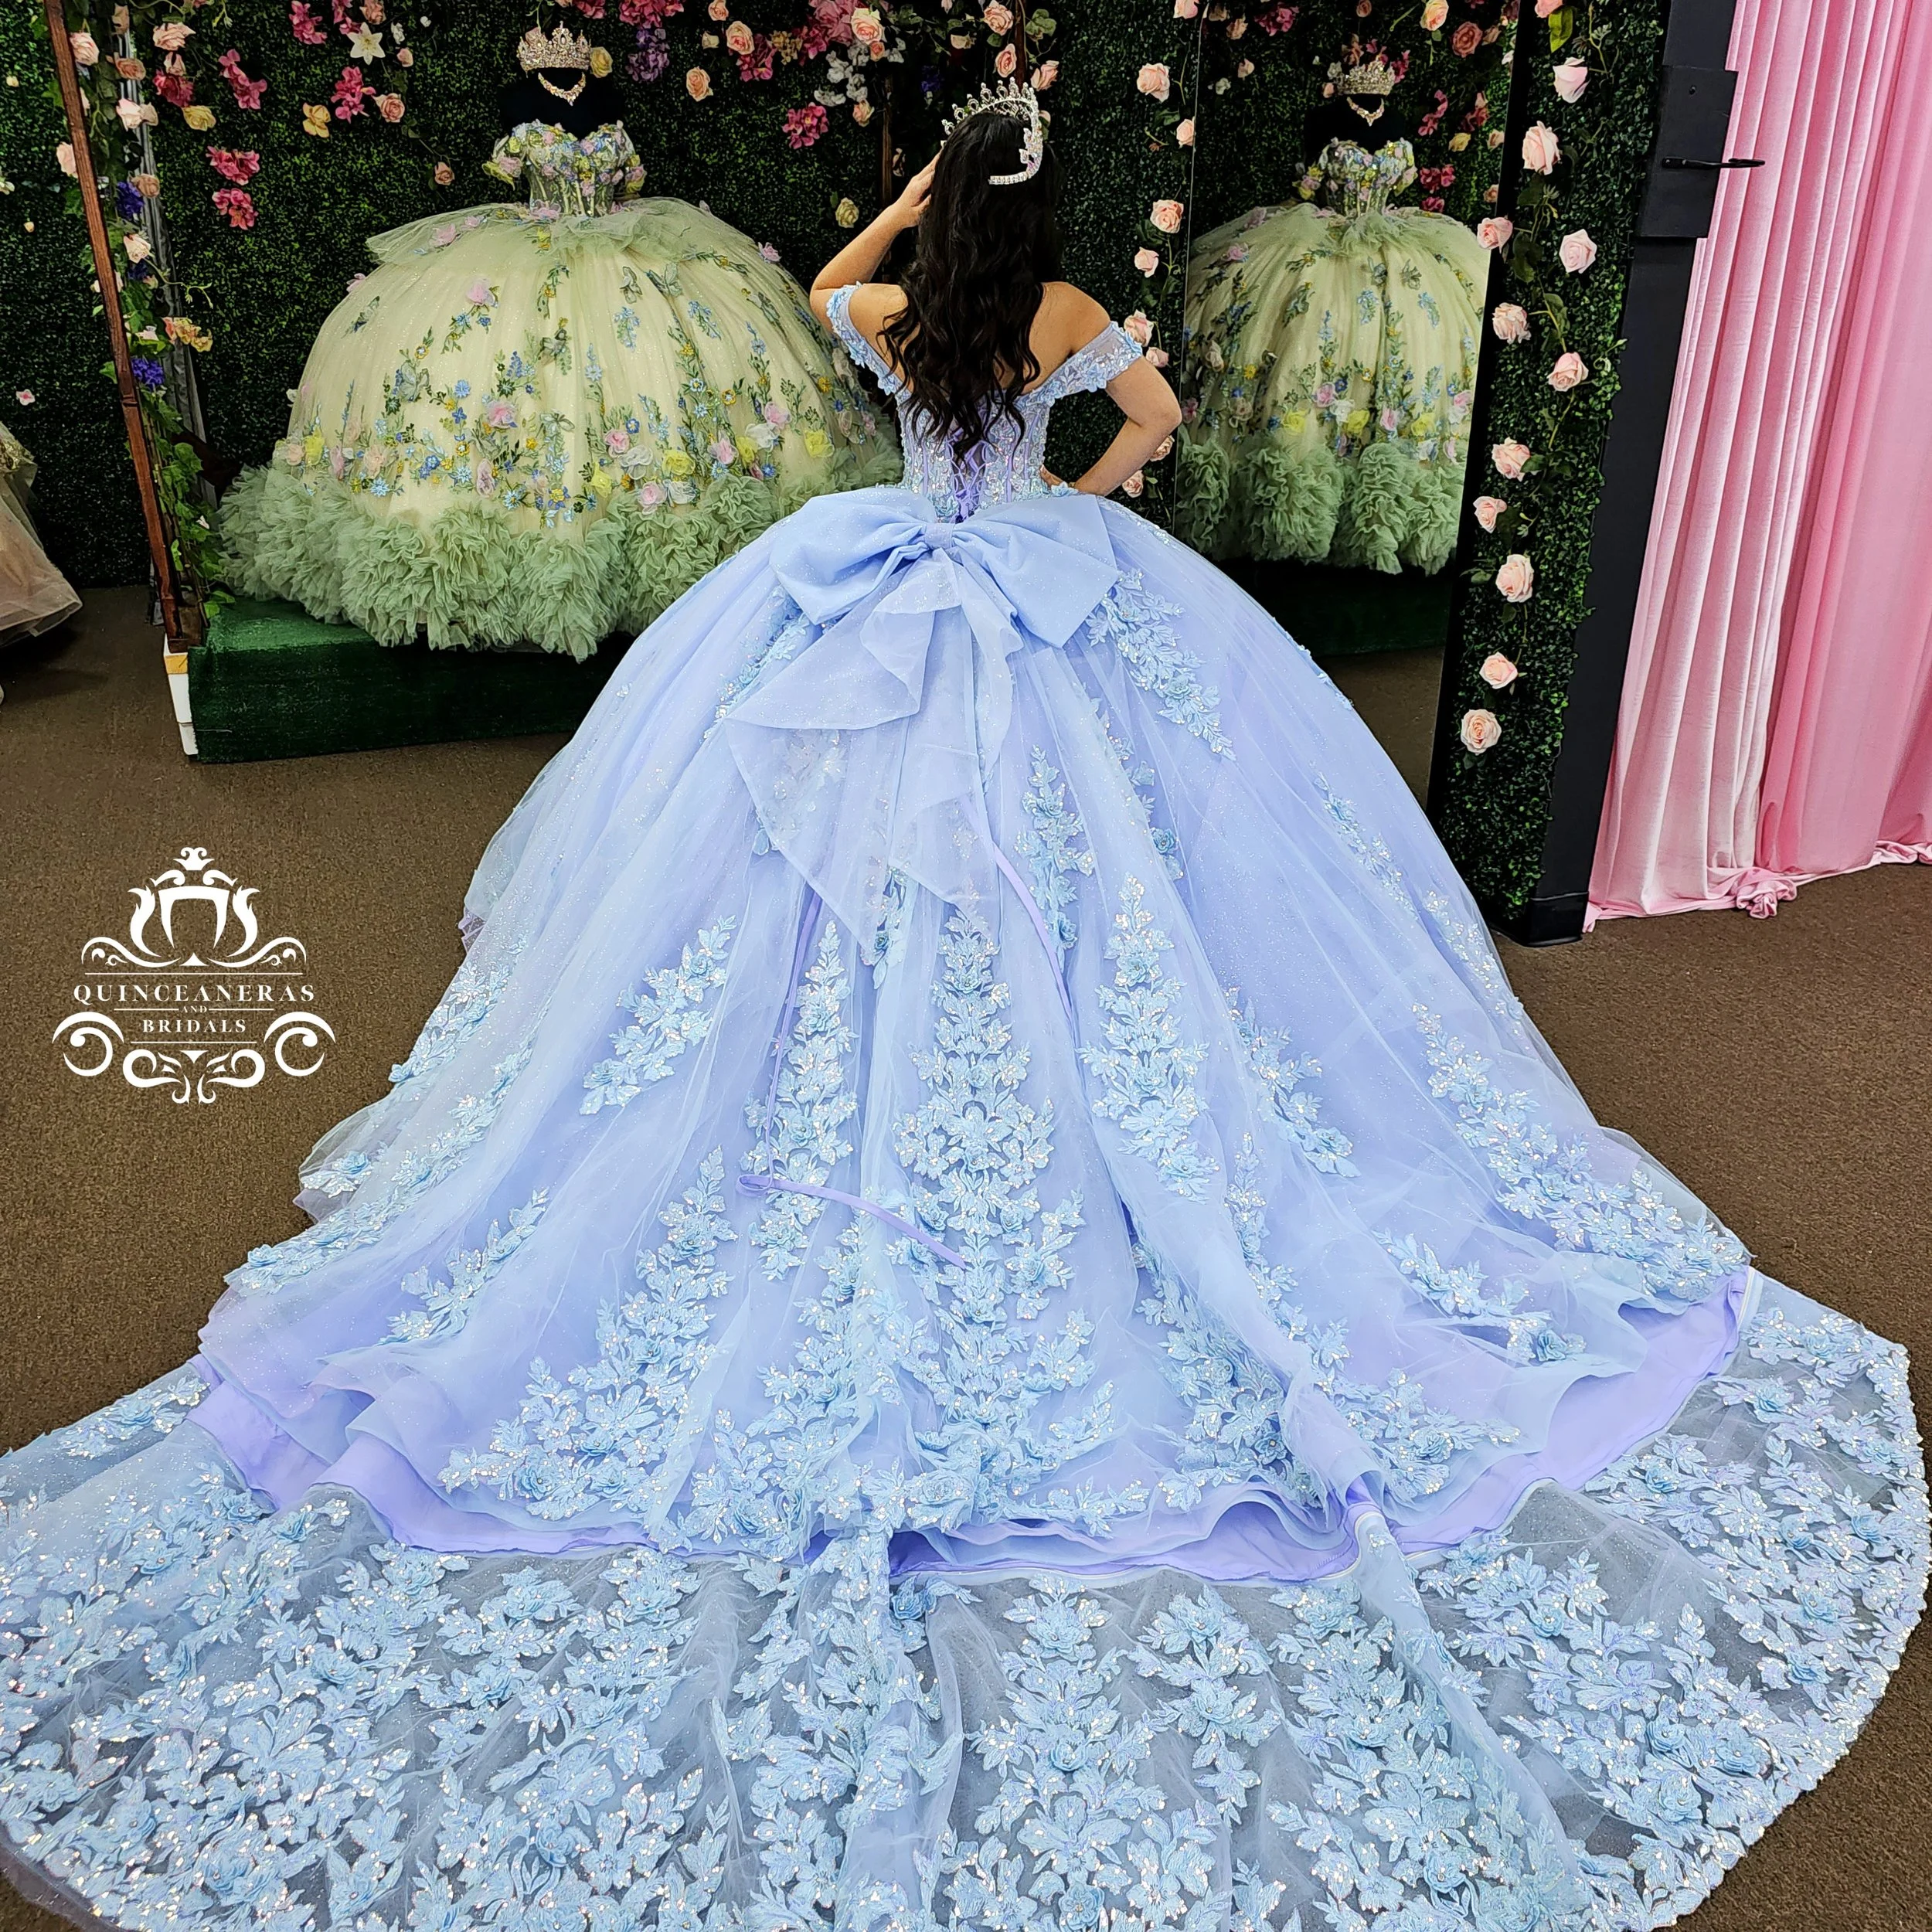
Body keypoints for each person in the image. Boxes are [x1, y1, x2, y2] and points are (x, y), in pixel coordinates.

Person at [0, 80, 1920, 1932]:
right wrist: (1074, 489)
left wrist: (908, 211)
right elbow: (1155, 421)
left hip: (881, 589)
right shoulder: (1071, 316)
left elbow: (827, 288)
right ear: (1049, 226)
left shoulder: (896, 308)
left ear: (945, 215)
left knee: (805, 875)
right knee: (1110, 884)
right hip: (1037, 584)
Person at [219, 22, 898, 662]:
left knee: (660, 370)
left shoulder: (603, 101)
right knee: (511, 371)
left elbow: (627, 183)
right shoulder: (521, 106)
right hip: (532, 246)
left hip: (627, 243)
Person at [1180, 44, 1486, 574]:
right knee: (1302, 330)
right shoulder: (1328, 124)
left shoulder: (1395, 124)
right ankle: (1289, 503)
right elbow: (1307, 192)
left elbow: (1326, 185)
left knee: (1415, 335)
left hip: (1393, 239)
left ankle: (1383, 506)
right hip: (1326, 234)